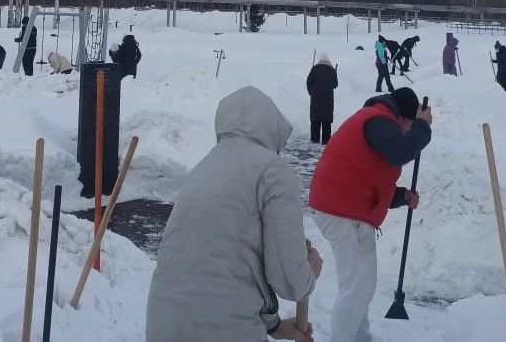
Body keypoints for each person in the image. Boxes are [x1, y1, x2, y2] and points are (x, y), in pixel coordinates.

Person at [146, 86, 322, 341]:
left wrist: (275, 327)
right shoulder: (272, 171)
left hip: (164, 325)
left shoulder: (202, 167)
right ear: (272, 129)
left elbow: (221, 265)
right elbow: (290, 280)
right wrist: (309, 272)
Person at [308, 87, 432, 342]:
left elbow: (369, 175)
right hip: (340, 208)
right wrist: (423, 126)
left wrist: (400, 196)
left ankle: (359, 337)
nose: (407, 132)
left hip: (345, 206)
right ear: (404, 117)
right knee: (357, 288)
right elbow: (401, 151)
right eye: (410, 125)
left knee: (361, 287)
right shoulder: (377, 120)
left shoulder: (378, 121)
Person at [306, 56, 339, 144]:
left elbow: (308, 82)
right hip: (328, 99)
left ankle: (314, 138)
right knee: (326, 120)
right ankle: (326, 140)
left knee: (315, 118)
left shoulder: (314, 69)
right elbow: (335, 84)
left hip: (315, 97)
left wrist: (311, 93)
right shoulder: (332, 70)